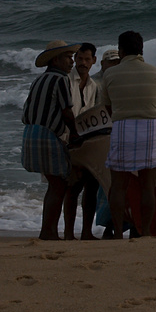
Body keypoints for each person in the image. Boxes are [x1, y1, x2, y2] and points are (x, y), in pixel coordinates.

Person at [97, 30, 156, 238]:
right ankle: (145, 232)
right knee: (148, 187)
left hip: (123, 127)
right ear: (141, 49)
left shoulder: (110, 74)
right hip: (150, 128)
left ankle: (118, 233)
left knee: (118, 186)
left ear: (121, 50)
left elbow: (108, 107)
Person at [21, 40, 80, 240]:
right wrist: (74, 133)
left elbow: (27, 111)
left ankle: (48, 230)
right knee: (59, 184)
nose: (71, 61)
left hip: (31, 132)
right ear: (56, 59)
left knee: (54, 182)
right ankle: (48, 232)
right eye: (68, 57)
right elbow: (67, 112)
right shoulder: (61, 79)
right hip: (47, 134)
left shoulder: (38, 80)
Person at [63, 43, 103, 240]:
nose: (83, 63)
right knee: (71, 188)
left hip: (85, 142)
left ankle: (86, 231)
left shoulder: (93, 86)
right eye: (79, 59)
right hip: (66, 141)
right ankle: (69, 233)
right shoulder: (66, 81)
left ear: (94, 61)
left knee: (91, 187)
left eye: (87, 59)